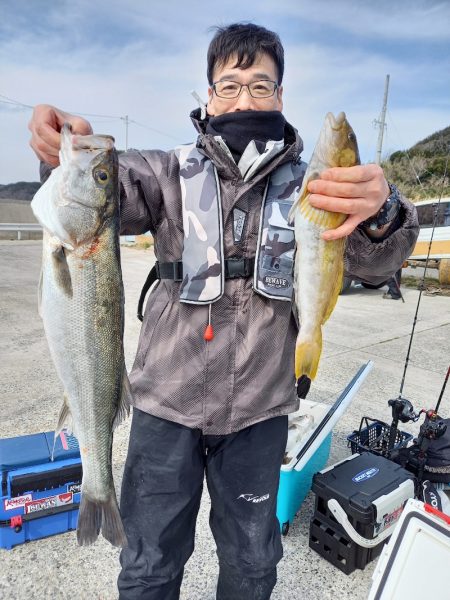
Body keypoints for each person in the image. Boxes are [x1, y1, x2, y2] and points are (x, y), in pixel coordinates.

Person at [28, 23, 419, 600]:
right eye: (229, 85)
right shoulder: (165, 170)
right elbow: (103, 198)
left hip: (259, 411)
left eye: (261, 86)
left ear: (281, 96)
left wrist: (383, 211)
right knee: (148, 564)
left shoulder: (312, 185)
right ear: (208, 96)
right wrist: (63, 154)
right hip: (165, 402)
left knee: (253, 565)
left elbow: (372, 259)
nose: (245, 99)